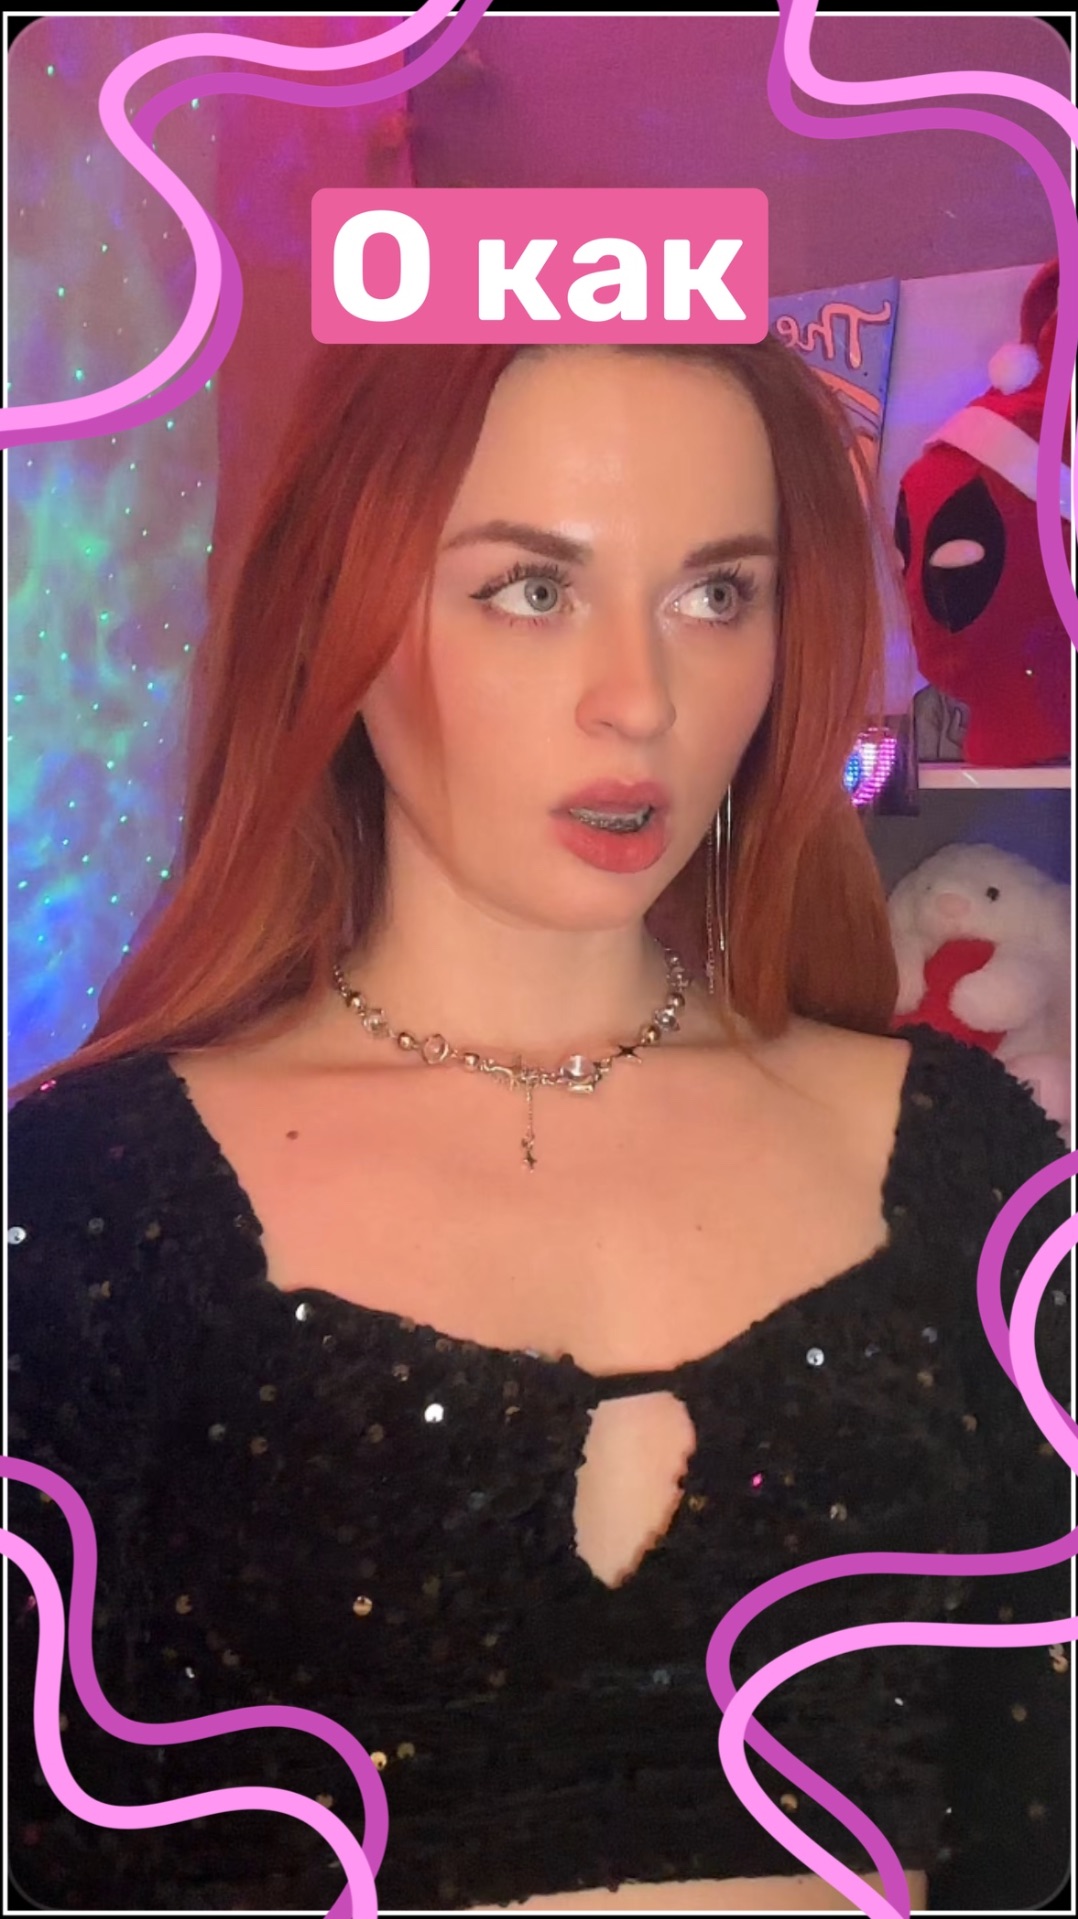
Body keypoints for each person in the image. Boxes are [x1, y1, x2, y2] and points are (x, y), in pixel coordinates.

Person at [7, 337, 1072, 1916]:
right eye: (530, 587)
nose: (639, 702)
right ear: (339, 615)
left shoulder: (972, 1168)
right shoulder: (81, 1208)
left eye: (716, 593)